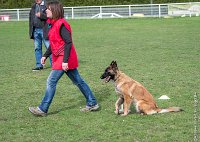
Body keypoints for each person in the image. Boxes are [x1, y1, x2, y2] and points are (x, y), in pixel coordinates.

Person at [29, 1, 99, 116]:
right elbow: (54, 43)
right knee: (78, 81)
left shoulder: (61, 24)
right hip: (61, 58)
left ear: (55, 11)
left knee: (51, 81)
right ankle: (92, 103)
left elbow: (68, 43)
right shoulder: (53, 23)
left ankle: (42, 109)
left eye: (48, 9)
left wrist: (65, 61)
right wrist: (45, 55)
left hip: (64, 58)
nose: (45, 11)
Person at [29, 0, 52, 71]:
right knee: (37, 48)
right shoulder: (33, 6)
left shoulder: (48, 4)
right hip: (35, 30)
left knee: (49, 48)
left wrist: (41, 15)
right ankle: (39, 65)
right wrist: (31, 32)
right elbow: (30, 20)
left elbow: (51, 16)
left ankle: (54, 65)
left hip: (45, 30)